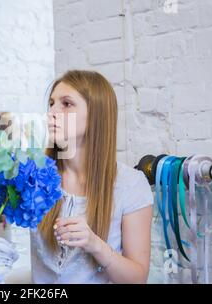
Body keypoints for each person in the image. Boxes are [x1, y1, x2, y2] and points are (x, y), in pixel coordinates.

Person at [30, 70, 154, 283]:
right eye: (51, 103)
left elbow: (137, 278)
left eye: (66, 104)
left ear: (96, 114)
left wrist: (95, 244)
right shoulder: (34, 177)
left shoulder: (130, 185)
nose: (51, 112)